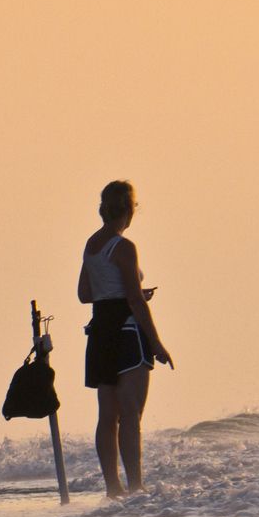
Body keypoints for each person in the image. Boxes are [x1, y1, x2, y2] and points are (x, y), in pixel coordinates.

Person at [78, 180, 174, 496]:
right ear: (129, 208)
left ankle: (113, 487)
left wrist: (119, 292)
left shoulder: (92, 244)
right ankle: (136, 486)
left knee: (107, 416)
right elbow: (133, 300)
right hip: (128, 333)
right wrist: (157, 343)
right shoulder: (124, 246)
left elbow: (85, 294)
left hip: (100, 332)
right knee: (131, 416)